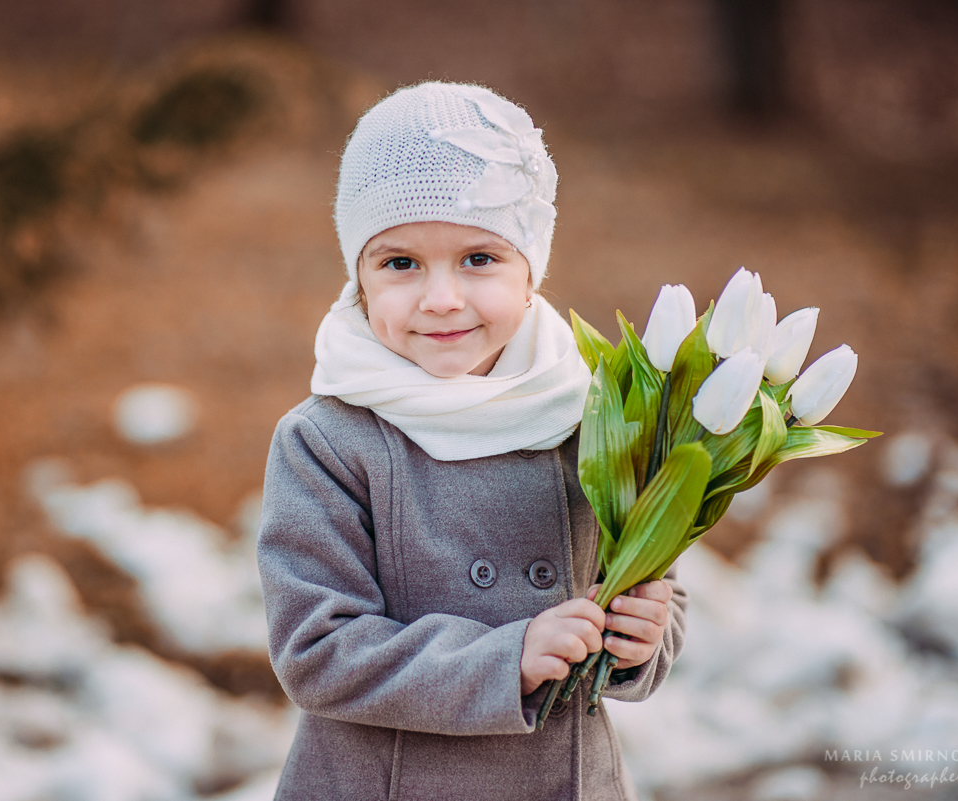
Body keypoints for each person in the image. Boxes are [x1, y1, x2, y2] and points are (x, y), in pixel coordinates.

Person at [257, 81, 686, 801]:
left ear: (531, 271)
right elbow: (318, 647)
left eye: (479, 259)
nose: (442, 298)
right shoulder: (328, 439)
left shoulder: (595, 411)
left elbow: (651, 576)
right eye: (400, 263)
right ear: (358, 279)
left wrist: (645, 633)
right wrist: (504, 659)